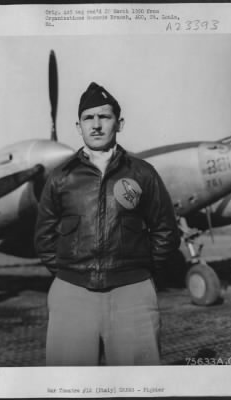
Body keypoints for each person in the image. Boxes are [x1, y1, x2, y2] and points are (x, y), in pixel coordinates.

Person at [35, 82, 180, 366]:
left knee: (138, 383)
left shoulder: (143, 173)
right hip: (71, 293)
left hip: (132, 294)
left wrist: (139, 272)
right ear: (79, 127)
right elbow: (44, 237)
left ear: (119, 123)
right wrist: (71, 272)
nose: (97, 125)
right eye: (88, 118)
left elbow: (165, 230)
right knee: (69, 384)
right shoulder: (60, 177)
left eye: (105, 117)